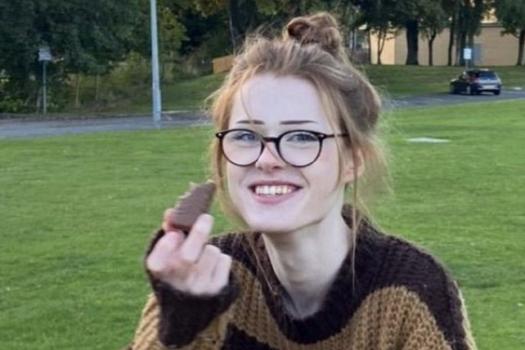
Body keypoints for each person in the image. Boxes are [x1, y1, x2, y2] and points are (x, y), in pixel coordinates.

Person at [128, 12, 477, 350]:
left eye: (301, 137)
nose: (266, 160)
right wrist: (185, 327)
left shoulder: (412, 291)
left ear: (353, 161)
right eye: (247, 137)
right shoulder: (197, 279)